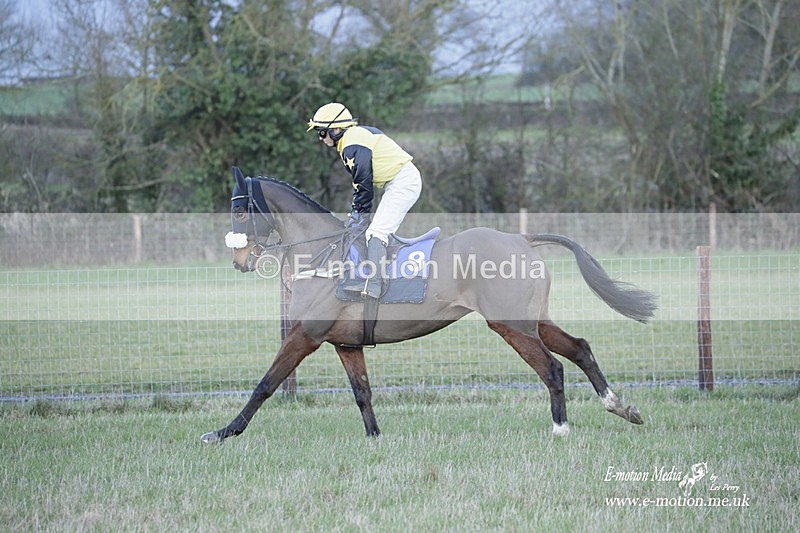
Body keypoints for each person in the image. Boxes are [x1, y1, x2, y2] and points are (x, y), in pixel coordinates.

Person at [307, 102, 422, 299]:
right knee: (366, 228)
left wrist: (358, 215)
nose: (321, 138)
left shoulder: (352, 144)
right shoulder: (353, 138)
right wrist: (358, 214)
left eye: (322, 132)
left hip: (403, 182)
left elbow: (364, 186)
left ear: (336, 129)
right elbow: (362, 188)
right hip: (397, 182)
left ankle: (374, 285)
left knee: (377, 232)